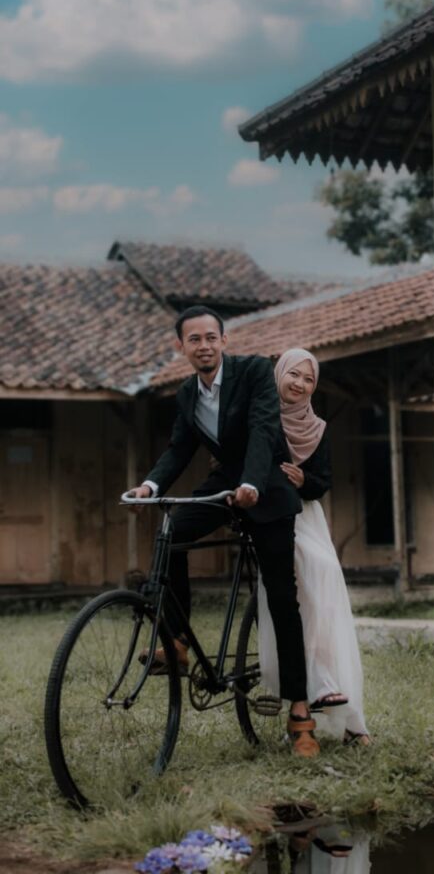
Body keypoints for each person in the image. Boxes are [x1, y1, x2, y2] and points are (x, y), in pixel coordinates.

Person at [127, 307, 319, 757]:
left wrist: (252, 482)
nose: (204, 346)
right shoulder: (186, 394)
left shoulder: (253, 372)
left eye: (211, 337)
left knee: (281, 598)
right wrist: (150, 485)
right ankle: (177, 641)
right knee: (172, 532)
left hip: (267, 487)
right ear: (181, 347)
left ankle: (300, 714)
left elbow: (263, 429)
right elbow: (179, 448)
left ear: (224, 341)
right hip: (225, 484)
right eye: (194, 339)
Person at [257, 347, 370, 745]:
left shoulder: (318, 428)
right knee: (305, 586)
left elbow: (323, 481)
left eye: (308, 379)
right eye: (294, 374)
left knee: (323, 582)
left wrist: (304, 481)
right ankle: (315, 686)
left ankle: (334, 694)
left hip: (306, 517)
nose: (300, 384)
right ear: (279, 375)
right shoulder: (261, 417)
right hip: (270, 515)